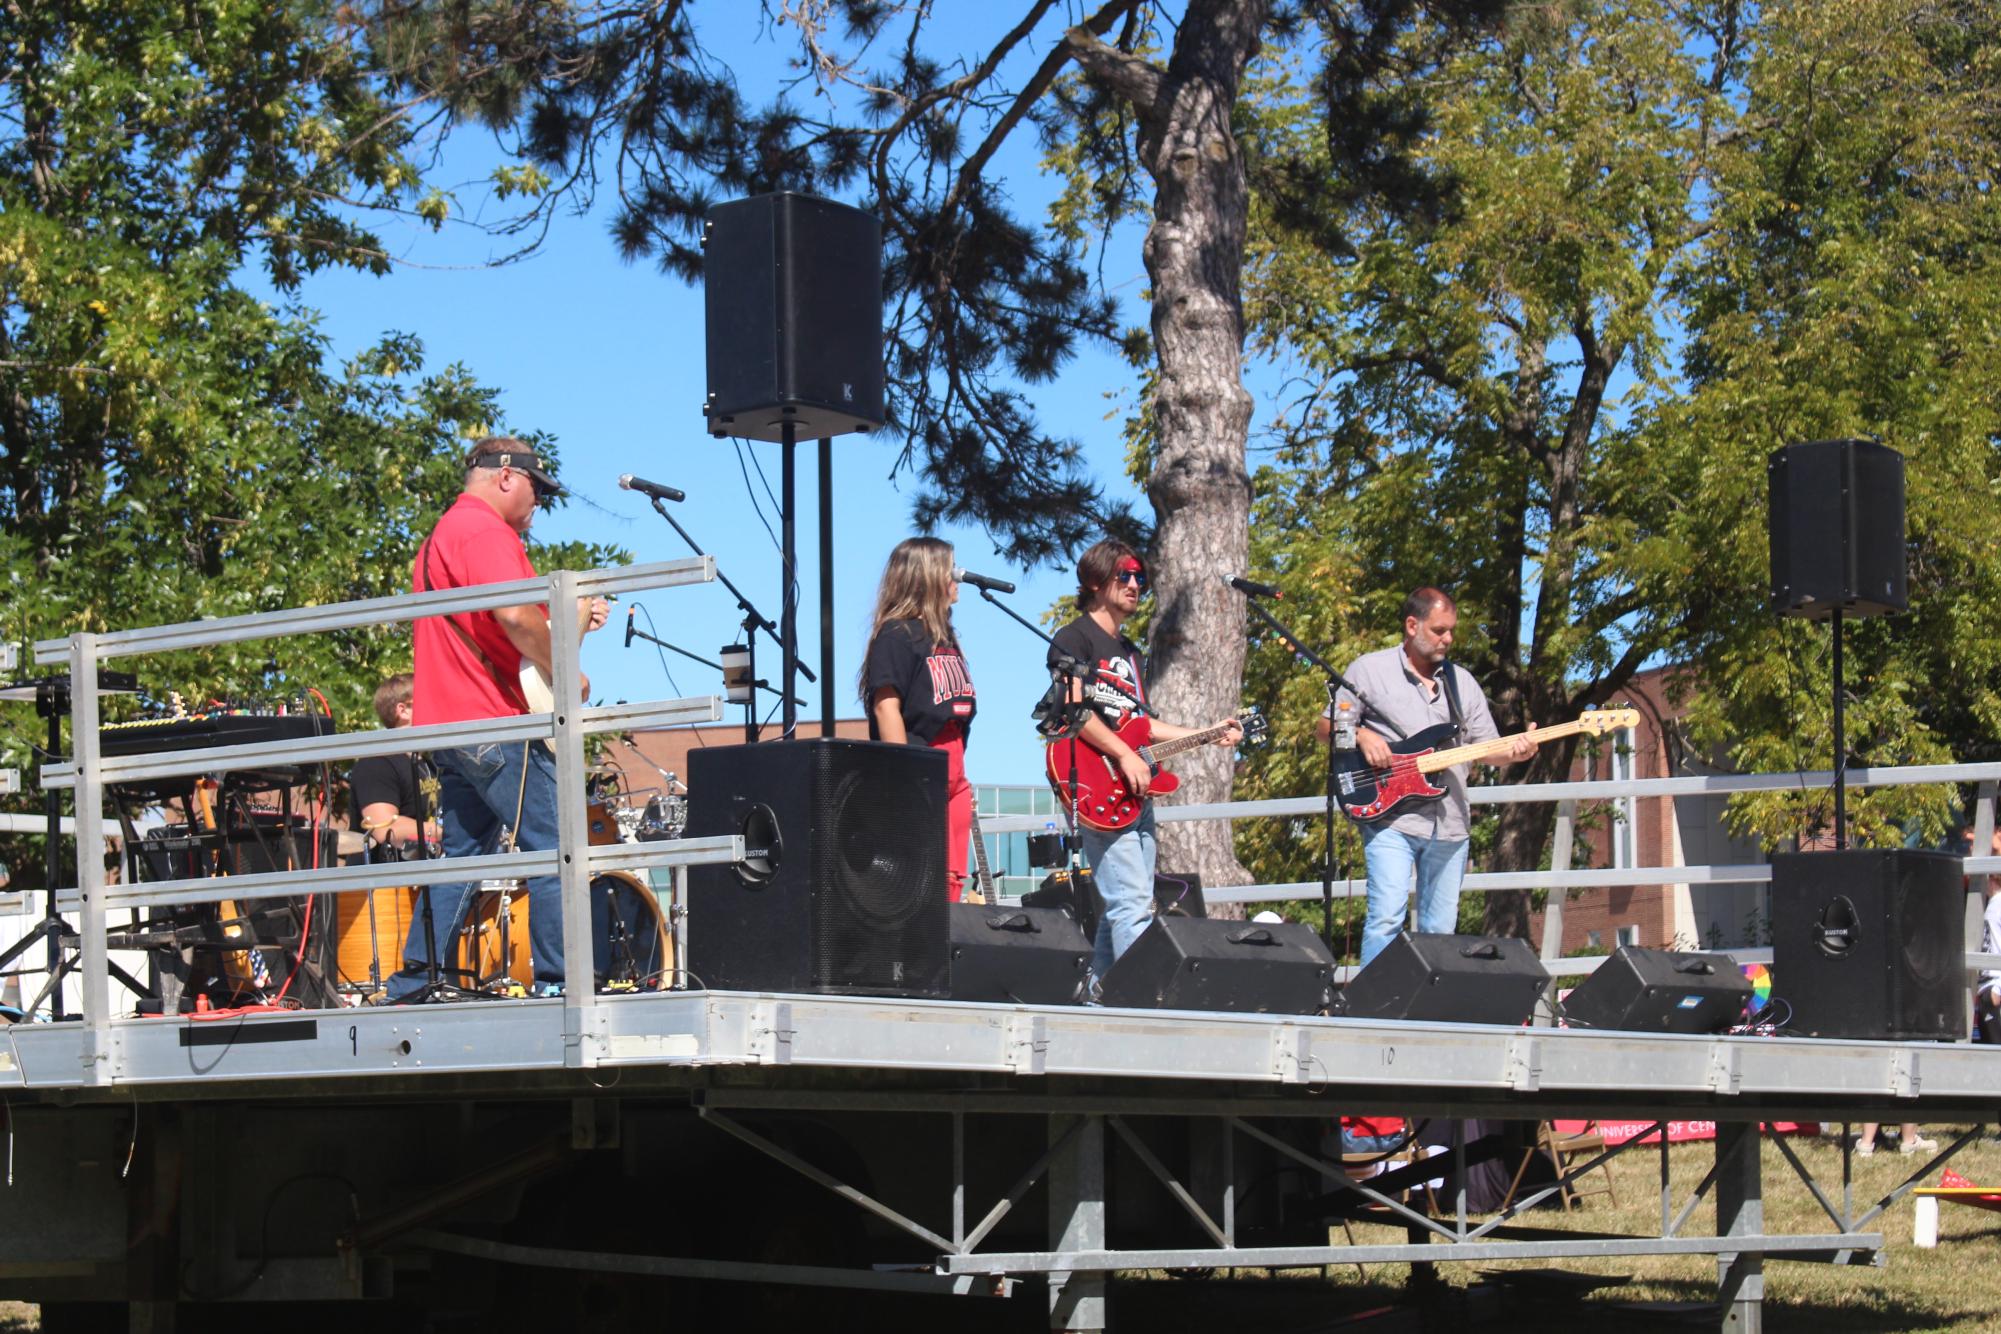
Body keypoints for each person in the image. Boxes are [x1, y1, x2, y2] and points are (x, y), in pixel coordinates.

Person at [388, 437, 610, 1002]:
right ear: (506, 475)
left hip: (452, 722)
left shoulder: (444, 534)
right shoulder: (485, 531)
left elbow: (496, 627)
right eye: (538, 488)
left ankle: (414, 981)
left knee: (462, 855)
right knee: (557, 843)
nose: (540, 502)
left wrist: (572, 622)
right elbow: (513, 615)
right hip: (492, 720)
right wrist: (565, 664)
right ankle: (563, 985)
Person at [1048, 539, 1241, 983]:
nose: (1136, 584)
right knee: (1131, 903)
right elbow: (1074, 713)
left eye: (1140, 577)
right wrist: (1122, 756)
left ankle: (1095, 996)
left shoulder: (1130, 653)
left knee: (1127, 903)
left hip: (1134, 791)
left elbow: (1143, 726)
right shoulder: (1072, 638)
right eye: (1125, 575)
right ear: (1096, 581)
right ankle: (1142, 999)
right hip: (1096, 783)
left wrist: (1209, 733)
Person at [1316, 586, 1536, 968]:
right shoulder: (1369, 670)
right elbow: (1325, 727)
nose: (1447, 639)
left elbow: (1489, 748)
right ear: (1412, 625)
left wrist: (1519, 750)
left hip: (1451, 824)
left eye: (1451, 631)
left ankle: (1426, 1018)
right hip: (1391, 818)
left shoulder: (1462, 682)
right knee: (1386, 918)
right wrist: (1364, 735)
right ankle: (1375, 1013)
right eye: (1439, 630)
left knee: (1440, 932)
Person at [860, 537, 979, 901]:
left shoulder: (945, 639)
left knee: (952, 884)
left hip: (954, 772)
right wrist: (905, 776)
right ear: (927, 576)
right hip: (919, 768)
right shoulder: (896, 635)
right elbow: (886, 707)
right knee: (923, 885)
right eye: (951, 568)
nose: (958, 576)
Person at [347, 673, 440, 859]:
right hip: (382, 884)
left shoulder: (428, 763)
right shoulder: (376, 763)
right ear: (403, 710)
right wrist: (450, 832)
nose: (437, 707)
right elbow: (385, 829)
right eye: (429, 700)